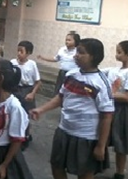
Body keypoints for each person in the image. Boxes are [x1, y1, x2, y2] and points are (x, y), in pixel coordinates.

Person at [31, 38, 114, 179]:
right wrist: (41, 109)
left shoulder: (101, 83)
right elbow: (60, 97)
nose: (76, 55)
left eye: (81, 52)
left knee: (85, 173)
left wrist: (101, 145)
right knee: (56, 166)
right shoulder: (71, 75)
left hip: (86, 137)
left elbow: (107, 116)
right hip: (64, 130)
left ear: (93, 56)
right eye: (76, 52)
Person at [11, 40, 41, 147]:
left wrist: (32, 93)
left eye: (21, 51)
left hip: (27, 90)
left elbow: (38, 82)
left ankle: (25, 136)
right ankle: (14, 135)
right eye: (18, 51)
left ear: (28, 53)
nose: (19, 53)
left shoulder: (32, 64)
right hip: (15, 89)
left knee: (25, 115)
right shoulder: (13, 63)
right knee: (14, 113)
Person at [105, 41, 127, 179]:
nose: (116, 55)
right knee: (103, 137)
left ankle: (120, 172)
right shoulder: (114, 70)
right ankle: (101, 164)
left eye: (119, 52)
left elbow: (127, 97)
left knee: (121, 143)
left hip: (123, 111)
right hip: (110, 107)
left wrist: (107, 94)